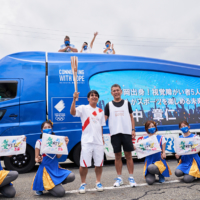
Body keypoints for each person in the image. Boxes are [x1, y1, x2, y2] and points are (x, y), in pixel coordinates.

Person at [70, 90, 105, 194]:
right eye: (92, 95)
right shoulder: (83, 108)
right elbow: (72, 112)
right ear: (88, 98)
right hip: (87, 141)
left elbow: (101, 126)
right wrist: (74, 99)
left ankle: (98, 182)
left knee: (99, 163)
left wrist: (102, 138)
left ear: (97, 98)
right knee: (84, 164)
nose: (94, 97)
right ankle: (83, 183)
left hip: (98, 141)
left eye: (96, 96)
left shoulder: (101, 111)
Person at [31, 120, 75, 197]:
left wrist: (64, 144)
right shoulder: (39, 142)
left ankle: (54, 183)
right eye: (45, 128)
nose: (47, 129)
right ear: (42, 131)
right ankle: (46, 185)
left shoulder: (56, 141)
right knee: (60, 193)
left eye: (49, 127)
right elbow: (36, 158)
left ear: (52, 129)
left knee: (71, 176)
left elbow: (58, 156)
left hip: (55, 168)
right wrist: (38, 159)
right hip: (46, 170)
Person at [104, 84, 136, 187]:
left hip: (126, 133)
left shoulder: (127, 103)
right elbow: (104, 119)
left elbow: (131, 117)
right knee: (117, 156)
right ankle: (119, 178)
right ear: (111, 93)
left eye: (117, 90)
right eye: (114, 91)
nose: (116, 92)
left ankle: (131, 177)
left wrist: (133, 129)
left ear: (121, 91)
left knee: (129, 156)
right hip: (114, 134)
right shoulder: (108, 105)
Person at [143, 120, 172, 185]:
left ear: (155, 127)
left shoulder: (161, 137)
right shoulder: (144, 139)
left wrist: (164, 153)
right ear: (147, 128)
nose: (151, 128)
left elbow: (163, 151)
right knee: (149, 181)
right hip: (149, 160)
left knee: (151, 167)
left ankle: (161, 174)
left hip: (159, 160)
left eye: (153, 126)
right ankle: (151, 174)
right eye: (149, 127)